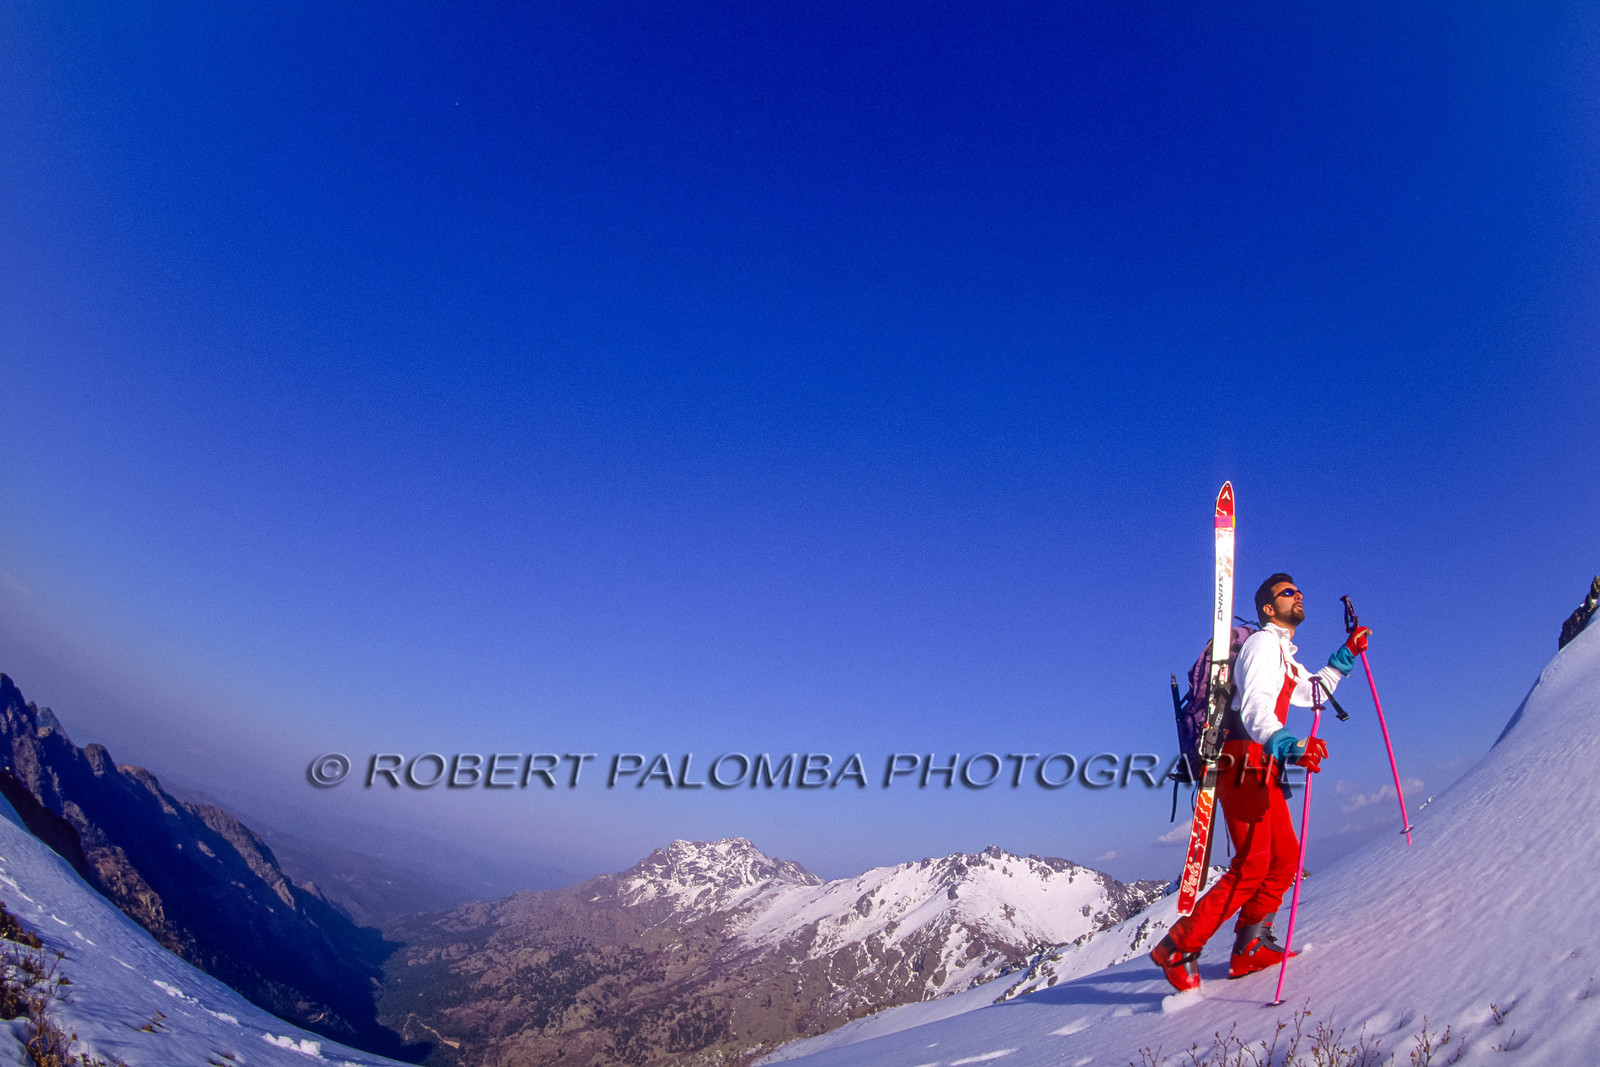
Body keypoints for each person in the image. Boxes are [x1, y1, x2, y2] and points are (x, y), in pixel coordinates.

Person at [1149, 573, 1371, 990]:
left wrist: (1346, 655)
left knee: (1285, 857)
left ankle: (1251, 943)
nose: (1299, 594)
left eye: (1299, 589)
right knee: (1251, 864)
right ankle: (1178, 946)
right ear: (1269, 609)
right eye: (1288, 592)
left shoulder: (1283, 653)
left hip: (1261, 759)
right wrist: (1288, 743)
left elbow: (1313, 693)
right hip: (1242, 757)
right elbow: (1253, 710)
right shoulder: (1262, 646)